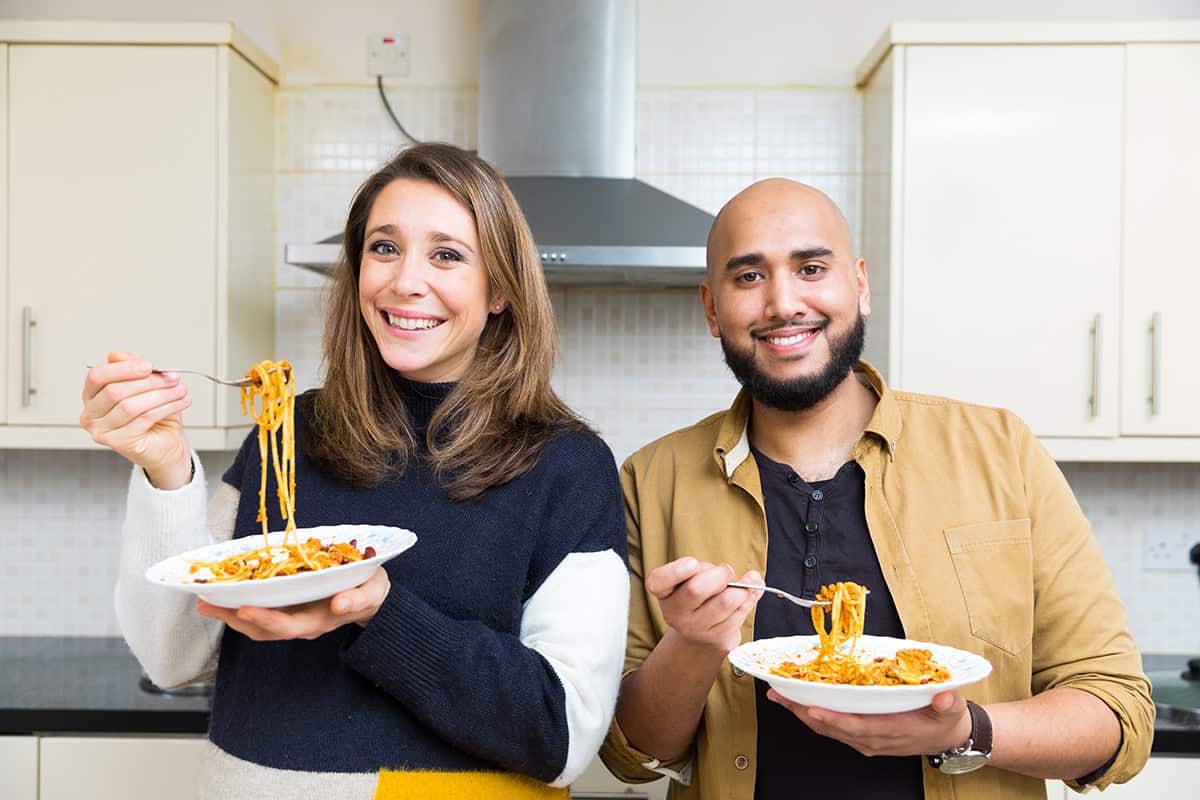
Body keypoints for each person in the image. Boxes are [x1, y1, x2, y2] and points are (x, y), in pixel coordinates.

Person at [81, 143, 629, 799]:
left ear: (502, 290)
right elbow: (172, 657)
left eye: (447, 254)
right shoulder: (288, 431)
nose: (405, 281)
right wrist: (165, 470)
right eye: (384, 248)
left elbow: (559, 733)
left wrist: (377, 607)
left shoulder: (567, 466)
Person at [599, 178, 1154, 799]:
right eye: (749, 277)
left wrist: (963, 730)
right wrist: (694, 645)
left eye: (811, 267)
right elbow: (635, 752)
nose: (783, 303)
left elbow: (1118, 715)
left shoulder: (999, 450)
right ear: (711, 308)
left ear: (859, 285)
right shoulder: (651, 479)